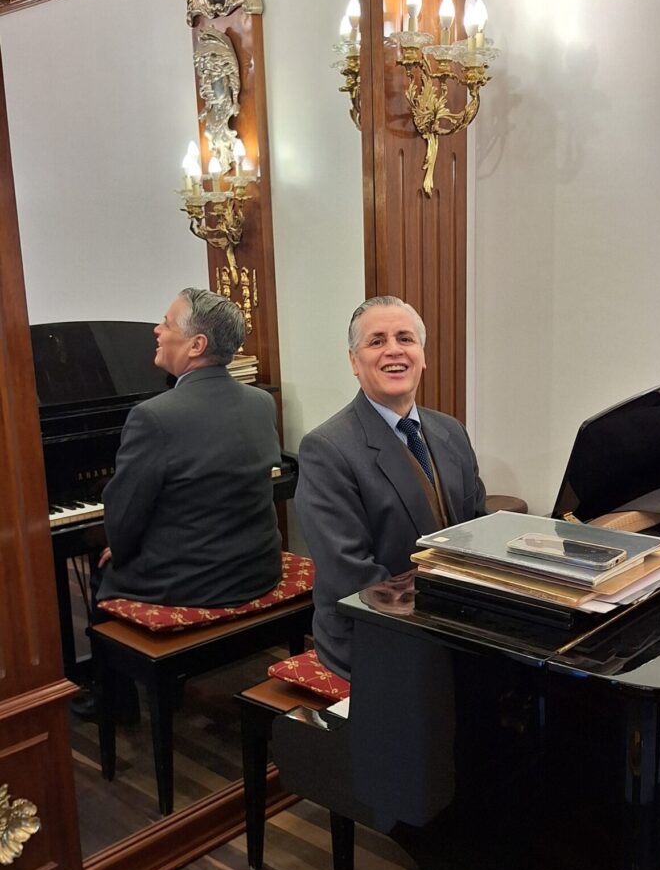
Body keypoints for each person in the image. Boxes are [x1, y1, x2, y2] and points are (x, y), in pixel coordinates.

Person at [295, 294, 486, 680]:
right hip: (375, 633)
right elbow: (352, 575)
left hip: (454, 622)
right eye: (377, 341)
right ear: (354, 361)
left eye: (405, 338)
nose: (394, 350)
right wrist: (448, 617)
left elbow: (478, 532)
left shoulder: (451, 431)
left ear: (422, 355)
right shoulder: (327, 449)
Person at [96, 287, 282, 607]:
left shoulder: (153, 416)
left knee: (102, 573)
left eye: (166, 323)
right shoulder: (262, 402)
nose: (157, 330)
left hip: (193, 583)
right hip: (259, 569)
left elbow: (123, 515)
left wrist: (122, 550)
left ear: (197, 345)